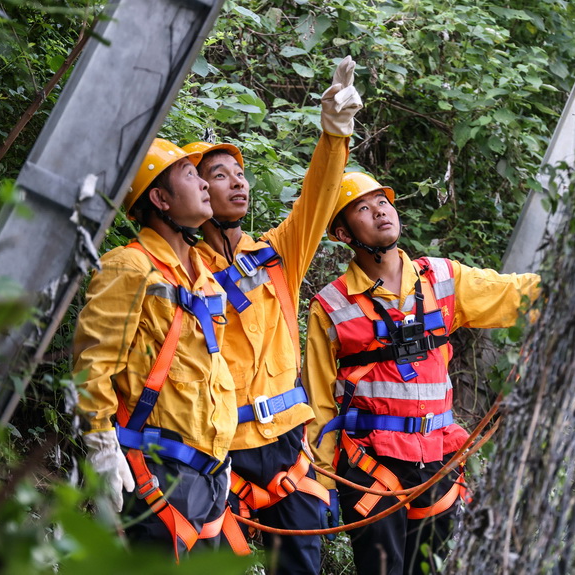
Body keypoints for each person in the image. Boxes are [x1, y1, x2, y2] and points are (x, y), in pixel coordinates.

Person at [305, 172, 542, 575]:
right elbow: (319, 402)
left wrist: (571, 285)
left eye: (383, 202)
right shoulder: (331, 306)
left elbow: (510, 293)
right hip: (371, 466)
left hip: (437, 457)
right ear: (343, 234)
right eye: (363, 207)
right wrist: (323, 482)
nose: (380, 211)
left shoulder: (441, 280)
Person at [181, 56, 362, 575]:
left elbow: (317, 199)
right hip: (218, 448)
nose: (237, 183)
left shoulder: (277, 256)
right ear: (195, 191)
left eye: (240, 175)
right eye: (219, 176)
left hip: (287, 444)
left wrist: (335, 133)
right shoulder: (180, 270)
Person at [72, 138, 247, 560]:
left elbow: (211, 372)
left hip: (208, 475)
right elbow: (93, 363)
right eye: (190, 176)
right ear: (161, 199)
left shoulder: (205, 278)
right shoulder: (129, 266)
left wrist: (222, 457)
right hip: (155, 471)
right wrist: (100, 444)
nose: (203, 184)